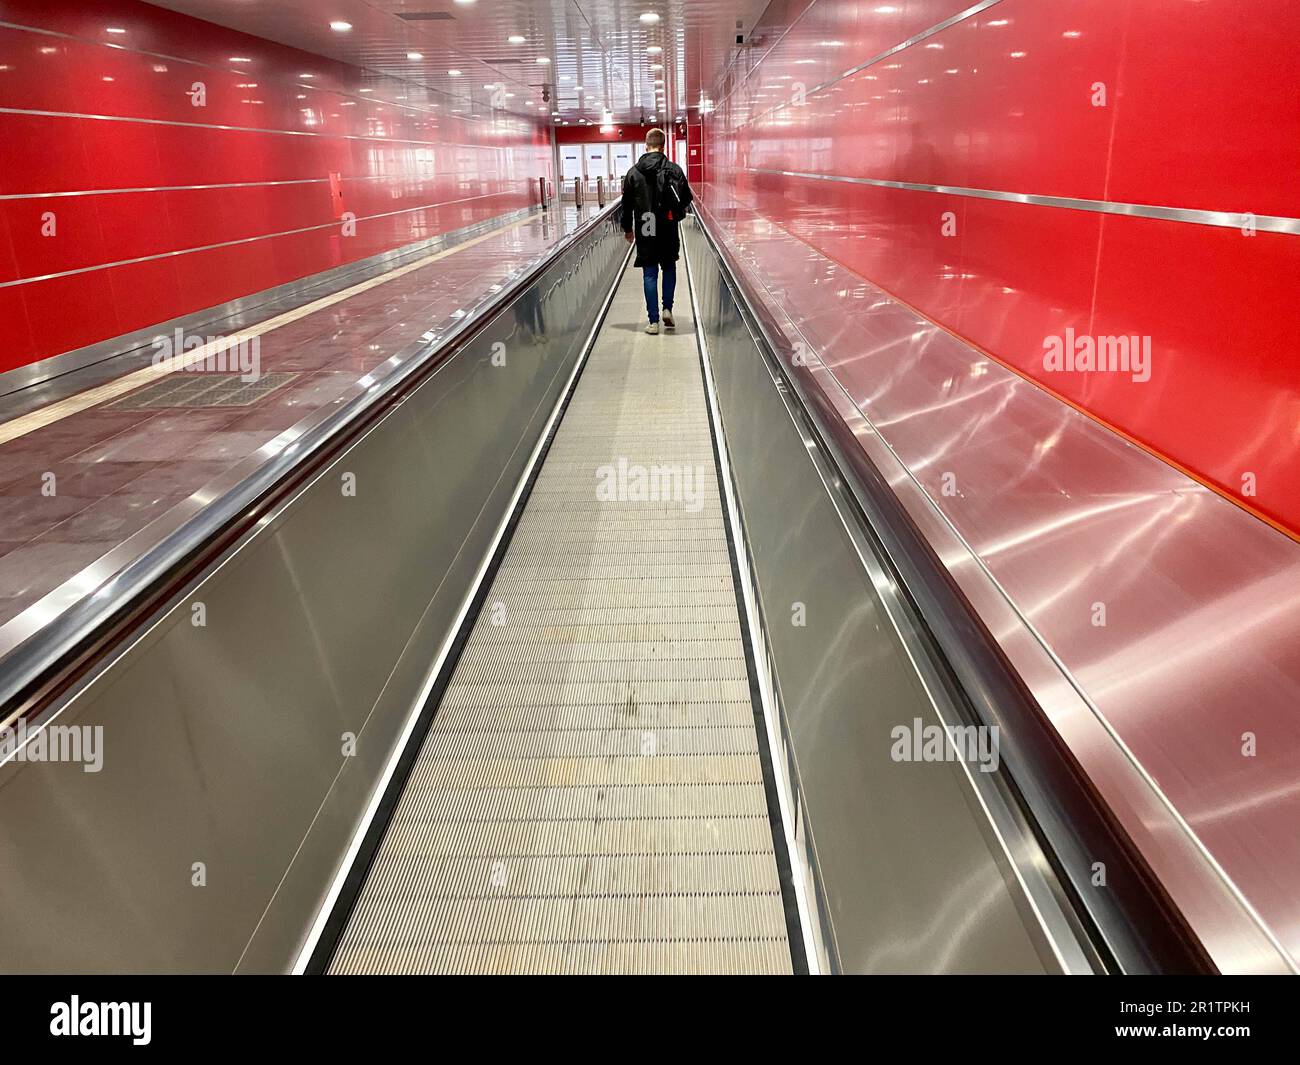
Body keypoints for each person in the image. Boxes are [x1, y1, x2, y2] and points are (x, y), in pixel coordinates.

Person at [620, 128, 694, 334]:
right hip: (667, 222)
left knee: (650, 272)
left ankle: (653, 322)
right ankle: (667, 308)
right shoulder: (674, 169)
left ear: (646, 145)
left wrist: (627, 228)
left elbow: (626, 204)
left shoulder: (634, 172)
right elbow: (687, 198)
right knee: (668, 267)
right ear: (663, 146)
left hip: (646, 222)